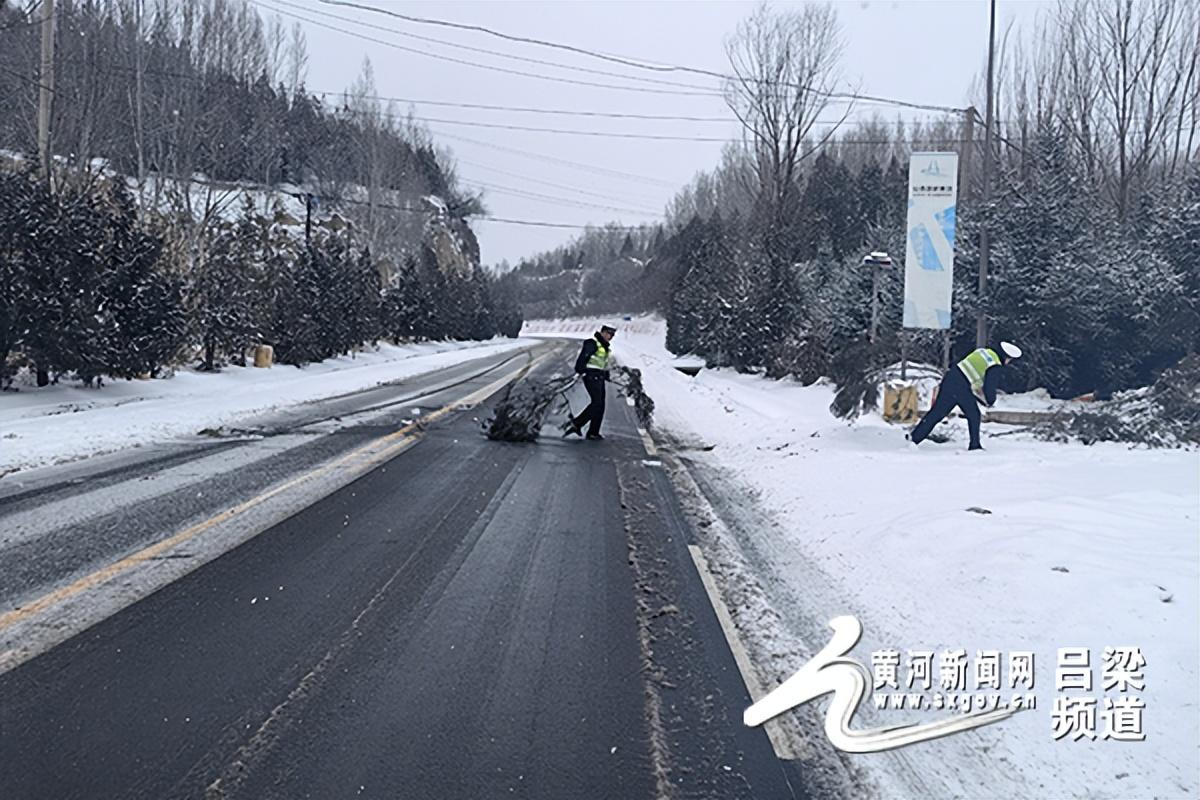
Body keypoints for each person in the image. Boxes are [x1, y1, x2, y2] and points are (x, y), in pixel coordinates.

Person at [908, 341, 1022, 451]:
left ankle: (915, 437)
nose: (1008, 362)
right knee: (974, 415)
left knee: (937, 413)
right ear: (1005, 357)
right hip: (961, 386)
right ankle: (974, 445)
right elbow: (989, 386)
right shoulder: (994, 364)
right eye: (1009, 360)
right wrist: (991, 401)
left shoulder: (983, 352)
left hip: (950, 378)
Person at [563, 325, 616, 440]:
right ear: (602, 332)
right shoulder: (592, 343)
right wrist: (581, 370)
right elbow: (583, 358)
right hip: (591, 376)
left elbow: (601, 363)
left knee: (601, 405)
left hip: (599, 376)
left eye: (612, 335)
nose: (610, 336)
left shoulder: (604, 346)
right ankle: (577, 423)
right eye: (608, 333)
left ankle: (593, 432)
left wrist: (606, 374)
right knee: (597, 403)